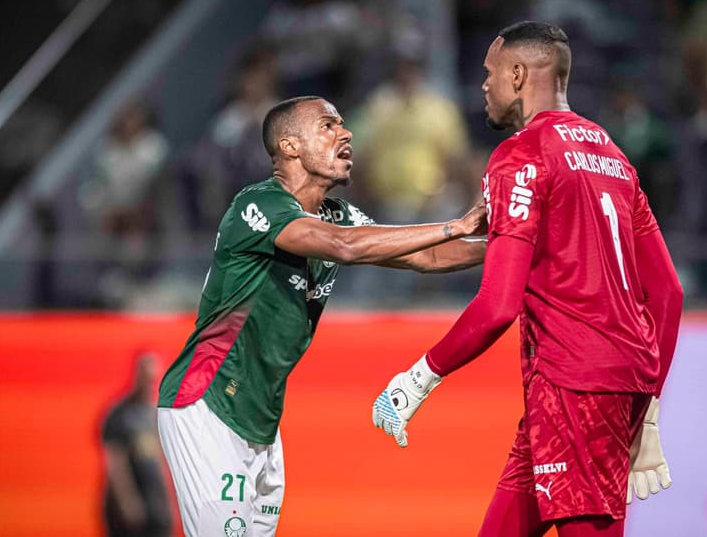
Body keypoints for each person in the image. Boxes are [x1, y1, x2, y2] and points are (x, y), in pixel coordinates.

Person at [372, 21, 684, 536]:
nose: (484, 86)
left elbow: (498, 305)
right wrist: (646, 407)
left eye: (490, 73)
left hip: (575, 387)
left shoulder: (522, 155)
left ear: (517, 74)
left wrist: (418, 379)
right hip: (591, 387)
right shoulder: (612, 155)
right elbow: (668, 294)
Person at [157, 95, 486, 537]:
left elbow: (427, 255)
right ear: (290, 146)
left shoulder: (337, 213)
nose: (345, 133)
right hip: (206, 404)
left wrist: (514, 247)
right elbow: (343, 246)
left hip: (261, 420)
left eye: (343, 125)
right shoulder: (258, 205)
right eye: (328, 125)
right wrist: (456, 223)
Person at [102, 352, 172, 537]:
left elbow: (162, 462)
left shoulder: (157, 415)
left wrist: (170, 502)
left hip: (155, 504)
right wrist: (127, 501)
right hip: (130, 507)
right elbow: (115, 462)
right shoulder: (120, 413)